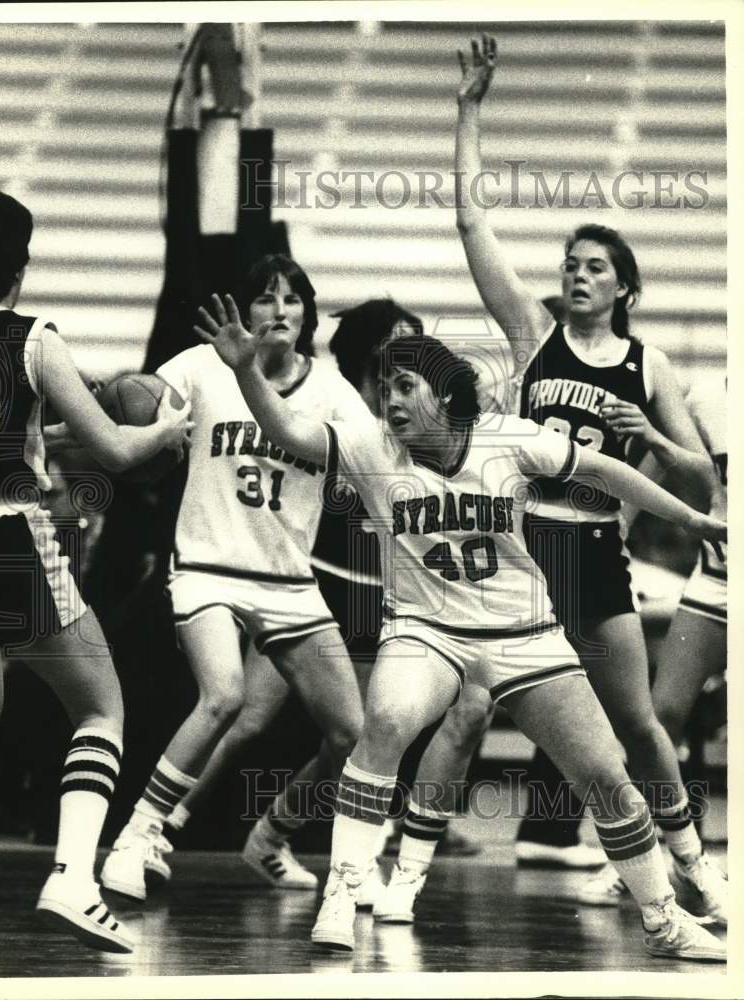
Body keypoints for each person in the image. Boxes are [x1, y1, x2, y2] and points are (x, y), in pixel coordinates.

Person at [195, 293, 726, 962]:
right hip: (425, 632)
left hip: (520, 631)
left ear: (444, 395)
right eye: (383, 387)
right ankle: (345, 887)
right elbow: (289, 435)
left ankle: (662, 917)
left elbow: (603, 469)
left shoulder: (506, 438)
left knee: (605, 774)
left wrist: (688, 518)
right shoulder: (368, 443)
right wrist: (245, 371)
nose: (388, 400)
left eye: (404, 386)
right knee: (382, 724)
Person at [454, 34, 727, 919]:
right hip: (522, 549)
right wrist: (469, 112)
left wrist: (649, 431)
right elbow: (471, 226)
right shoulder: (533, 334)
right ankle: (395, 862)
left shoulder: (646, 366)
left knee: (637, 726)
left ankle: (694, 862)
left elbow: (693, 480)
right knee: (459, 704)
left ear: (623, 288)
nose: (575, 277)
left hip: (596, 551)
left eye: (593, 269)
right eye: (569, 265)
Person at [100, 254, 369, 901]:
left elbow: (360, 461)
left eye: (293, 300)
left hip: (287, 581)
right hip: (206, 568)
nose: (280, 310)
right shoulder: (197, 366)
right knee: (223, 696)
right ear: (244, 313)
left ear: (306, 315)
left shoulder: (332, 390)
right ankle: (136, 835)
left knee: (351, 734)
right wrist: (94, 415)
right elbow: (132, 421)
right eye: (265, 300)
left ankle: (272, 834)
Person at [0, 190, 193, 954]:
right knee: (101, 707)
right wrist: (167, 426)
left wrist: (44, 425)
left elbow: (3, 423)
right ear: (21, 265)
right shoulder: (32, 337)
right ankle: (72, 879)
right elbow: (119, 453)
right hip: (6, 537)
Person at [650, 375, 727, 791]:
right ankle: (654, 845)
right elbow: (659, 460)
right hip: (718, 578)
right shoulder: (706, 397)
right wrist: (622, 522)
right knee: (663, 713)